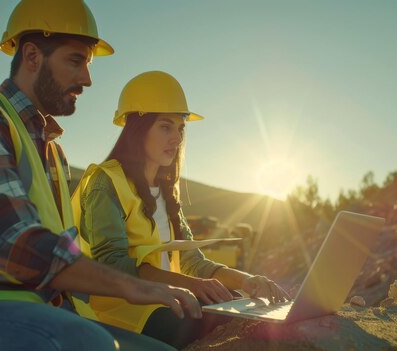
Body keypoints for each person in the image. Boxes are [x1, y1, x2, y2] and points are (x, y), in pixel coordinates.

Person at [0, 2, 201, 351]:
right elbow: (18, 245)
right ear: (32, 56)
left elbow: (62, 252)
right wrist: (137, 286)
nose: (88, 79)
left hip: (32, 312)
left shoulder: (52, 155)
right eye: (76, 61)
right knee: (83, 341)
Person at [72, 71, 290, 348]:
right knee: (208, 323)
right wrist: (190, 285)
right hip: (123, 311)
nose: (176, 138)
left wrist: (249, 281)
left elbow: (194, 263)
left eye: (180, 128)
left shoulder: (166, 191)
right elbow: (112, 263)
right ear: (137, 128)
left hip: (171, 300)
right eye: (165, 126)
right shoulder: (106, 182)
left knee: (240, 305)